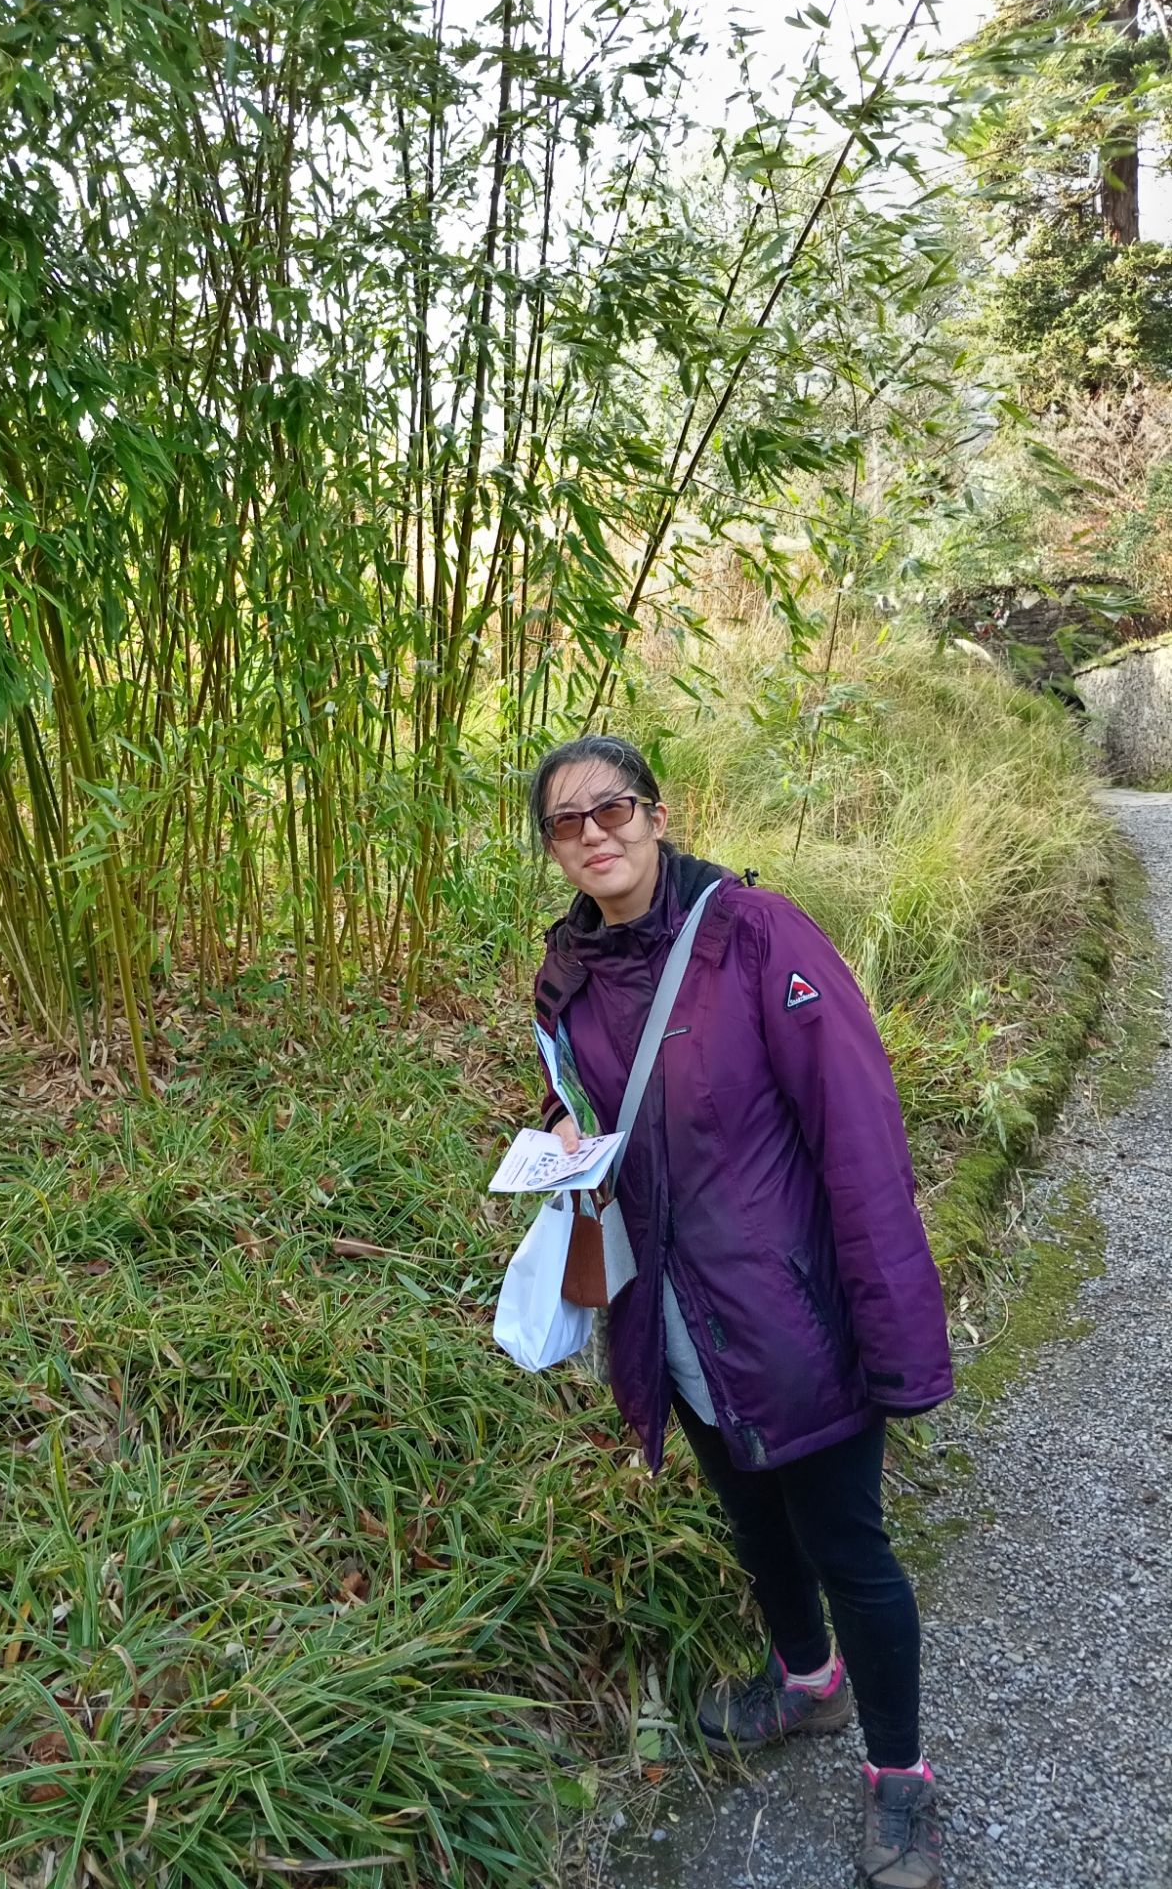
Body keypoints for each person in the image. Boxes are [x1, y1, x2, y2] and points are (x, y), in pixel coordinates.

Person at [529, 733, 954, 1889]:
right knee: (754, 1522)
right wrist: (561, 1129)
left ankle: (901, 1775)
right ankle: (807, 1680)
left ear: (657, 815)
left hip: (791, 1314)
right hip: (670, 1314)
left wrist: (891, 1325)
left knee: (847, 1544)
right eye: (567, 821)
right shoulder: (568, 970)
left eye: (614, 807)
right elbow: (576, 1091)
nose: (595, 833)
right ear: (554, 849)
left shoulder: (758, 935)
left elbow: (858, 1130)